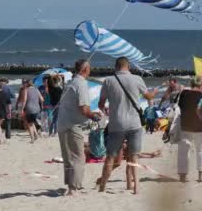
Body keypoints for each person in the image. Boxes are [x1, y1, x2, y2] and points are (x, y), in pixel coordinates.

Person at [98, 57, 155, 195]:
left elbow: (101, 103)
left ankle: (103, 186)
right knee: (133, 156)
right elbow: (149, 97)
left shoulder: (108, 81)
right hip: (134, 123)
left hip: (116, 123)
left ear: (116, 67)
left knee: (111, 156)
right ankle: (136, 187)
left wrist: (105, 109)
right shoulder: (137, 79)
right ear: (128, 67)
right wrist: (155, 93)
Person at [57, 59, 101, 196]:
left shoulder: (69, 83)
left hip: (62, 123)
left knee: (68, 156)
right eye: (89, 68)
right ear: (85, 69)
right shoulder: (81, 84)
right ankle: (73, 188)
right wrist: (94, 116)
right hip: (73, 125)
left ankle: (70, 185)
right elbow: (84, 109)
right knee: (78, 156)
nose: (91, 70)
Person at [177, 77, 202, 182]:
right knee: (201, 150)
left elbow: (180, 106)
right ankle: (201, 175)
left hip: (185, 125)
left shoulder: (184, 94)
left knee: (183, 151)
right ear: (201, 85)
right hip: (199, 126)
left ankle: (183, 176)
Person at [20, 79, 43, 143]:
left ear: (27, 84)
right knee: (32, 123)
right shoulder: (36, 89)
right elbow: (42, 99)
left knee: (29, 124)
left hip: (29, 109)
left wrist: (22, 109)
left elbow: (24, 100)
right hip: (37, 109)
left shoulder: (26, 90)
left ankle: (32, 139)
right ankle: (36, 135)